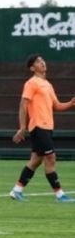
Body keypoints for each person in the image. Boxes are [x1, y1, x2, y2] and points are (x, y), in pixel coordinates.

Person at [9, 54, 75, 203]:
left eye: (43, 60)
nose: (42, 62)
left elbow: (56, 105)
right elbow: (23, 105)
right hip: (38, 126)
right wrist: (22, 127)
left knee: (36, 160)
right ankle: (60, 195)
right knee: (50, 158)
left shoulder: (48, 84)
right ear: (32, 68)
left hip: (47, 127)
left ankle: (17, 190)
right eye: (38, 61)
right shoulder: (31, 83)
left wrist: (70, 104)